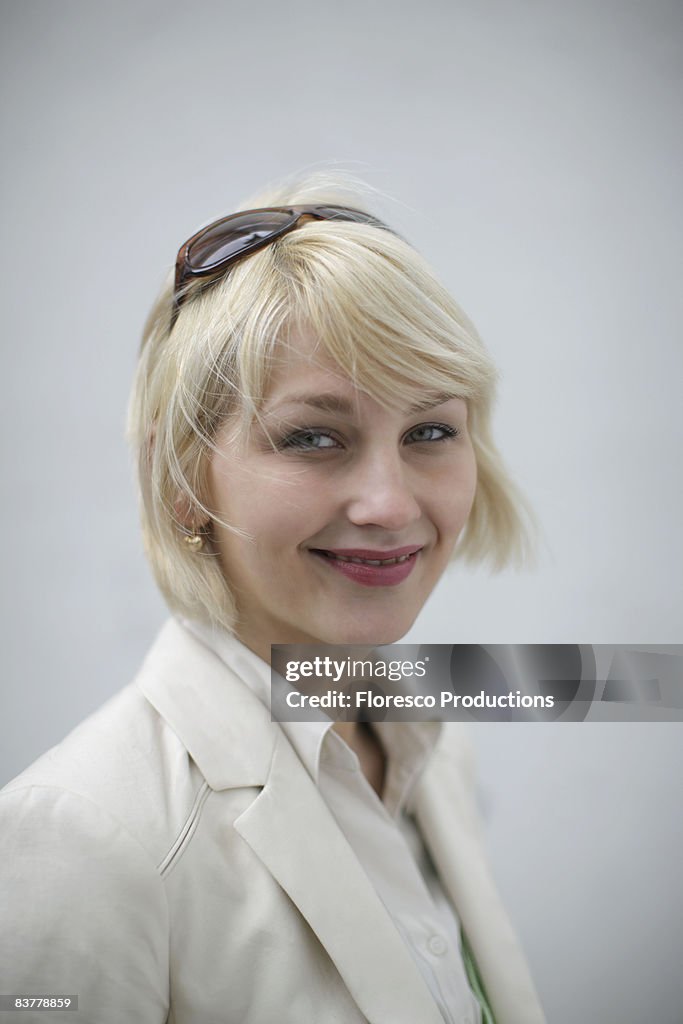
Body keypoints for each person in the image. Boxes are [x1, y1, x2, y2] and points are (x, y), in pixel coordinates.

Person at [0, 174, 545, 1023]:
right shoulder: (82, 833)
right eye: (313, 437)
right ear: (178, 478)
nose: (390, 504)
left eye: (429, 431)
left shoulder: (430, 746)